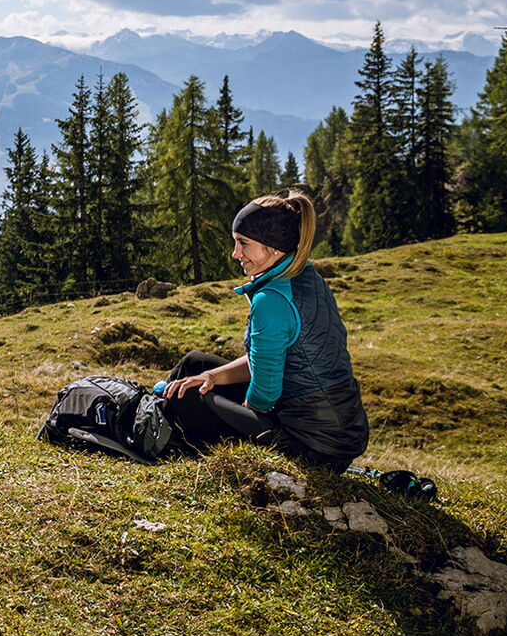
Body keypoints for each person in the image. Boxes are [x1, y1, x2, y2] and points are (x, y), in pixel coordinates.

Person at [157, 190, 370, 471]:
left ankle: (159, 428)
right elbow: (267, 361)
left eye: (243, 243)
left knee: (187, 397)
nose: (236, 253)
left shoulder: (270, 301)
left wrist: (233, 416)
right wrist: (211, 377)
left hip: (311, 446)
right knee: (196, 365)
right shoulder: (304, 276)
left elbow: (263, 396)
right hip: (336, 431)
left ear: (275, 247)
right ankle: (161, 414)